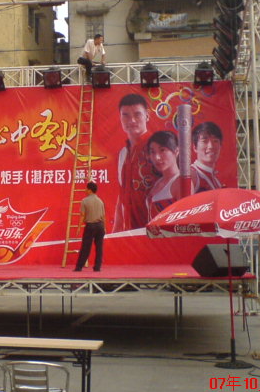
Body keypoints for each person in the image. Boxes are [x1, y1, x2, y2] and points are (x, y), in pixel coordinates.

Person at [113, 94, 155, 231]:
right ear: (120, 118)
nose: (131, 120)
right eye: (125, 115)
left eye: (137, 114)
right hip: (130, 233)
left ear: (147, 116)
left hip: (153, 231)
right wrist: (115, 233)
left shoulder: (157, 148)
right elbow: (122, 197)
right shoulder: (123, 153)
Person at [146, 131, 182, 220]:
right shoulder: (158, 182)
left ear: (176, 151)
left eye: (162, 150)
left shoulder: (180, 182)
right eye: (152, 152)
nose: (157, 157)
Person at [74, 182, 106, 272]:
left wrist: (79, 227)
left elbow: (82, 215)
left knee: (85, 247)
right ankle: (97, 267)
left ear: (90, 190)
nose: (85, 190)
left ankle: (79, 267)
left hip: (90, 226)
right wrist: (104, 227)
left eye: (86, 189)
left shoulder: (85, 201)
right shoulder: (100, 201)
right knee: (99, 247)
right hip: (100, 226)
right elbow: (103, 216)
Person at [190, 122, 224, 193]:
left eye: (215, 141)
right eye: (204, 141)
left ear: (220, 146)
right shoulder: (192, 175)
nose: (211, 146)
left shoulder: (215, 179)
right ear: (195, 147)